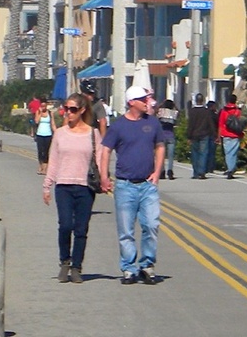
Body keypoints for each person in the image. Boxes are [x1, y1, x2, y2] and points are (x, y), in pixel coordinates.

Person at [98, 83, 164, 285]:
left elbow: (160, 147)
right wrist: (104, 176)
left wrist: (157, 172)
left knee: (151, 224)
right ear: (132, 102)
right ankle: (128, 267)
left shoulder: (152, 123)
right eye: (144, 100)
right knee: (126, 230)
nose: (148, 103)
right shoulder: (118, 126)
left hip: (147, 184)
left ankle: (147, 265)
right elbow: (106, 151)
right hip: (125, 185)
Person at [42, 93, 100, 283]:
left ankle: (77, 267)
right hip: (64, 186)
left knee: (81, 229)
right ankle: (64, 261)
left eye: (73, 109)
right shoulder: (60, 133)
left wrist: (105, 180)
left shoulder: (93, 134)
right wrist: (47, 185)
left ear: (82, 110)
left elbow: (99, 161)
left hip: (85, 188)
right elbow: (54, 161)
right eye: (66, 109)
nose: (68, 113)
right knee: (65, 225)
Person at [185, 93, 215, 179]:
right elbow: (210, 123)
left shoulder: (192, 111)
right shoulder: (206, 111)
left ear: (196, 100)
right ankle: (201, 172)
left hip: (194, 135)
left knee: (195, 154)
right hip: (204, 134)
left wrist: (189, 136)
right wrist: (214, 134)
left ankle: (195, 172)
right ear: (203, 100)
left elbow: (190, 124)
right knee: (203, 153)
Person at [217, 93, 246, 179]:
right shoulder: (238, 111)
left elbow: (220, 124)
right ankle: (231, 169)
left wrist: (218, 136)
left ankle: (229, 169)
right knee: (234, 153)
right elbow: (241, 124)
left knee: (227, 153)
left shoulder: (224, 111)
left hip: (226, 134)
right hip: (235, 135)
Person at [155, 99, 178, 180]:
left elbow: (156, 115)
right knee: (171, 156)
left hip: (162, 136)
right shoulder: (174, 113)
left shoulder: (161, 112)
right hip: (171, 135)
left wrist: (161, 104)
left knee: (162, 155)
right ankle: (170, 171)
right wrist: (175, 106)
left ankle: (162, 171)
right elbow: (177, 117)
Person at [34, 100, 56, 172]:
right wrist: (40, 113)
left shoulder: (50, 113)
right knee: (40, 151)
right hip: (40, 134)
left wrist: (56, 132)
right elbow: (37, 121)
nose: (43, 107)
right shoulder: (38, 112)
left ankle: (45, 168)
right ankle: (40, 166)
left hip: (48, 134)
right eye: (42, 106)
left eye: (44, 106)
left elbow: (52, 124)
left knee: (46, 152)